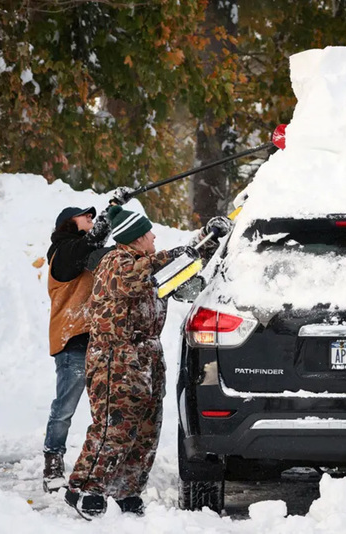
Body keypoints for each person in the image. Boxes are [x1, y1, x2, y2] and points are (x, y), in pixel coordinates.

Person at [64, 206, 232, 517]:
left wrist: (210, 239)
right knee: (114, 429)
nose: (154, 236)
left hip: (147, 361)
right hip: (115, 360)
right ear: (136, 238)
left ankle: (127, 490)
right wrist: (179, 254)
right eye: (149, 233)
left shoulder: (151, 267)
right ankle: (84, 487)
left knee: (144, 432)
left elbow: (182, 270)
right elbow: (150, 272)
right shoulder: (116, 264)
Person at [42, 187, 135, 493]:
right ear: (69, 223)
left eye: (94, 216)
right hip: (72, 341)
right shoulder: (62, 254)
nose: (91, 218)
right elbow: (92, 243)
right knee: (65, 407)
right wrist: (112, 208)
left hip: (98, 339)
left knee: (107, 409)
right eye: (86, 215)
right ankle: (52, 461)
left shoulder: (84, 253)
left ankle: (105, 464)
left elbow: (103, 252)